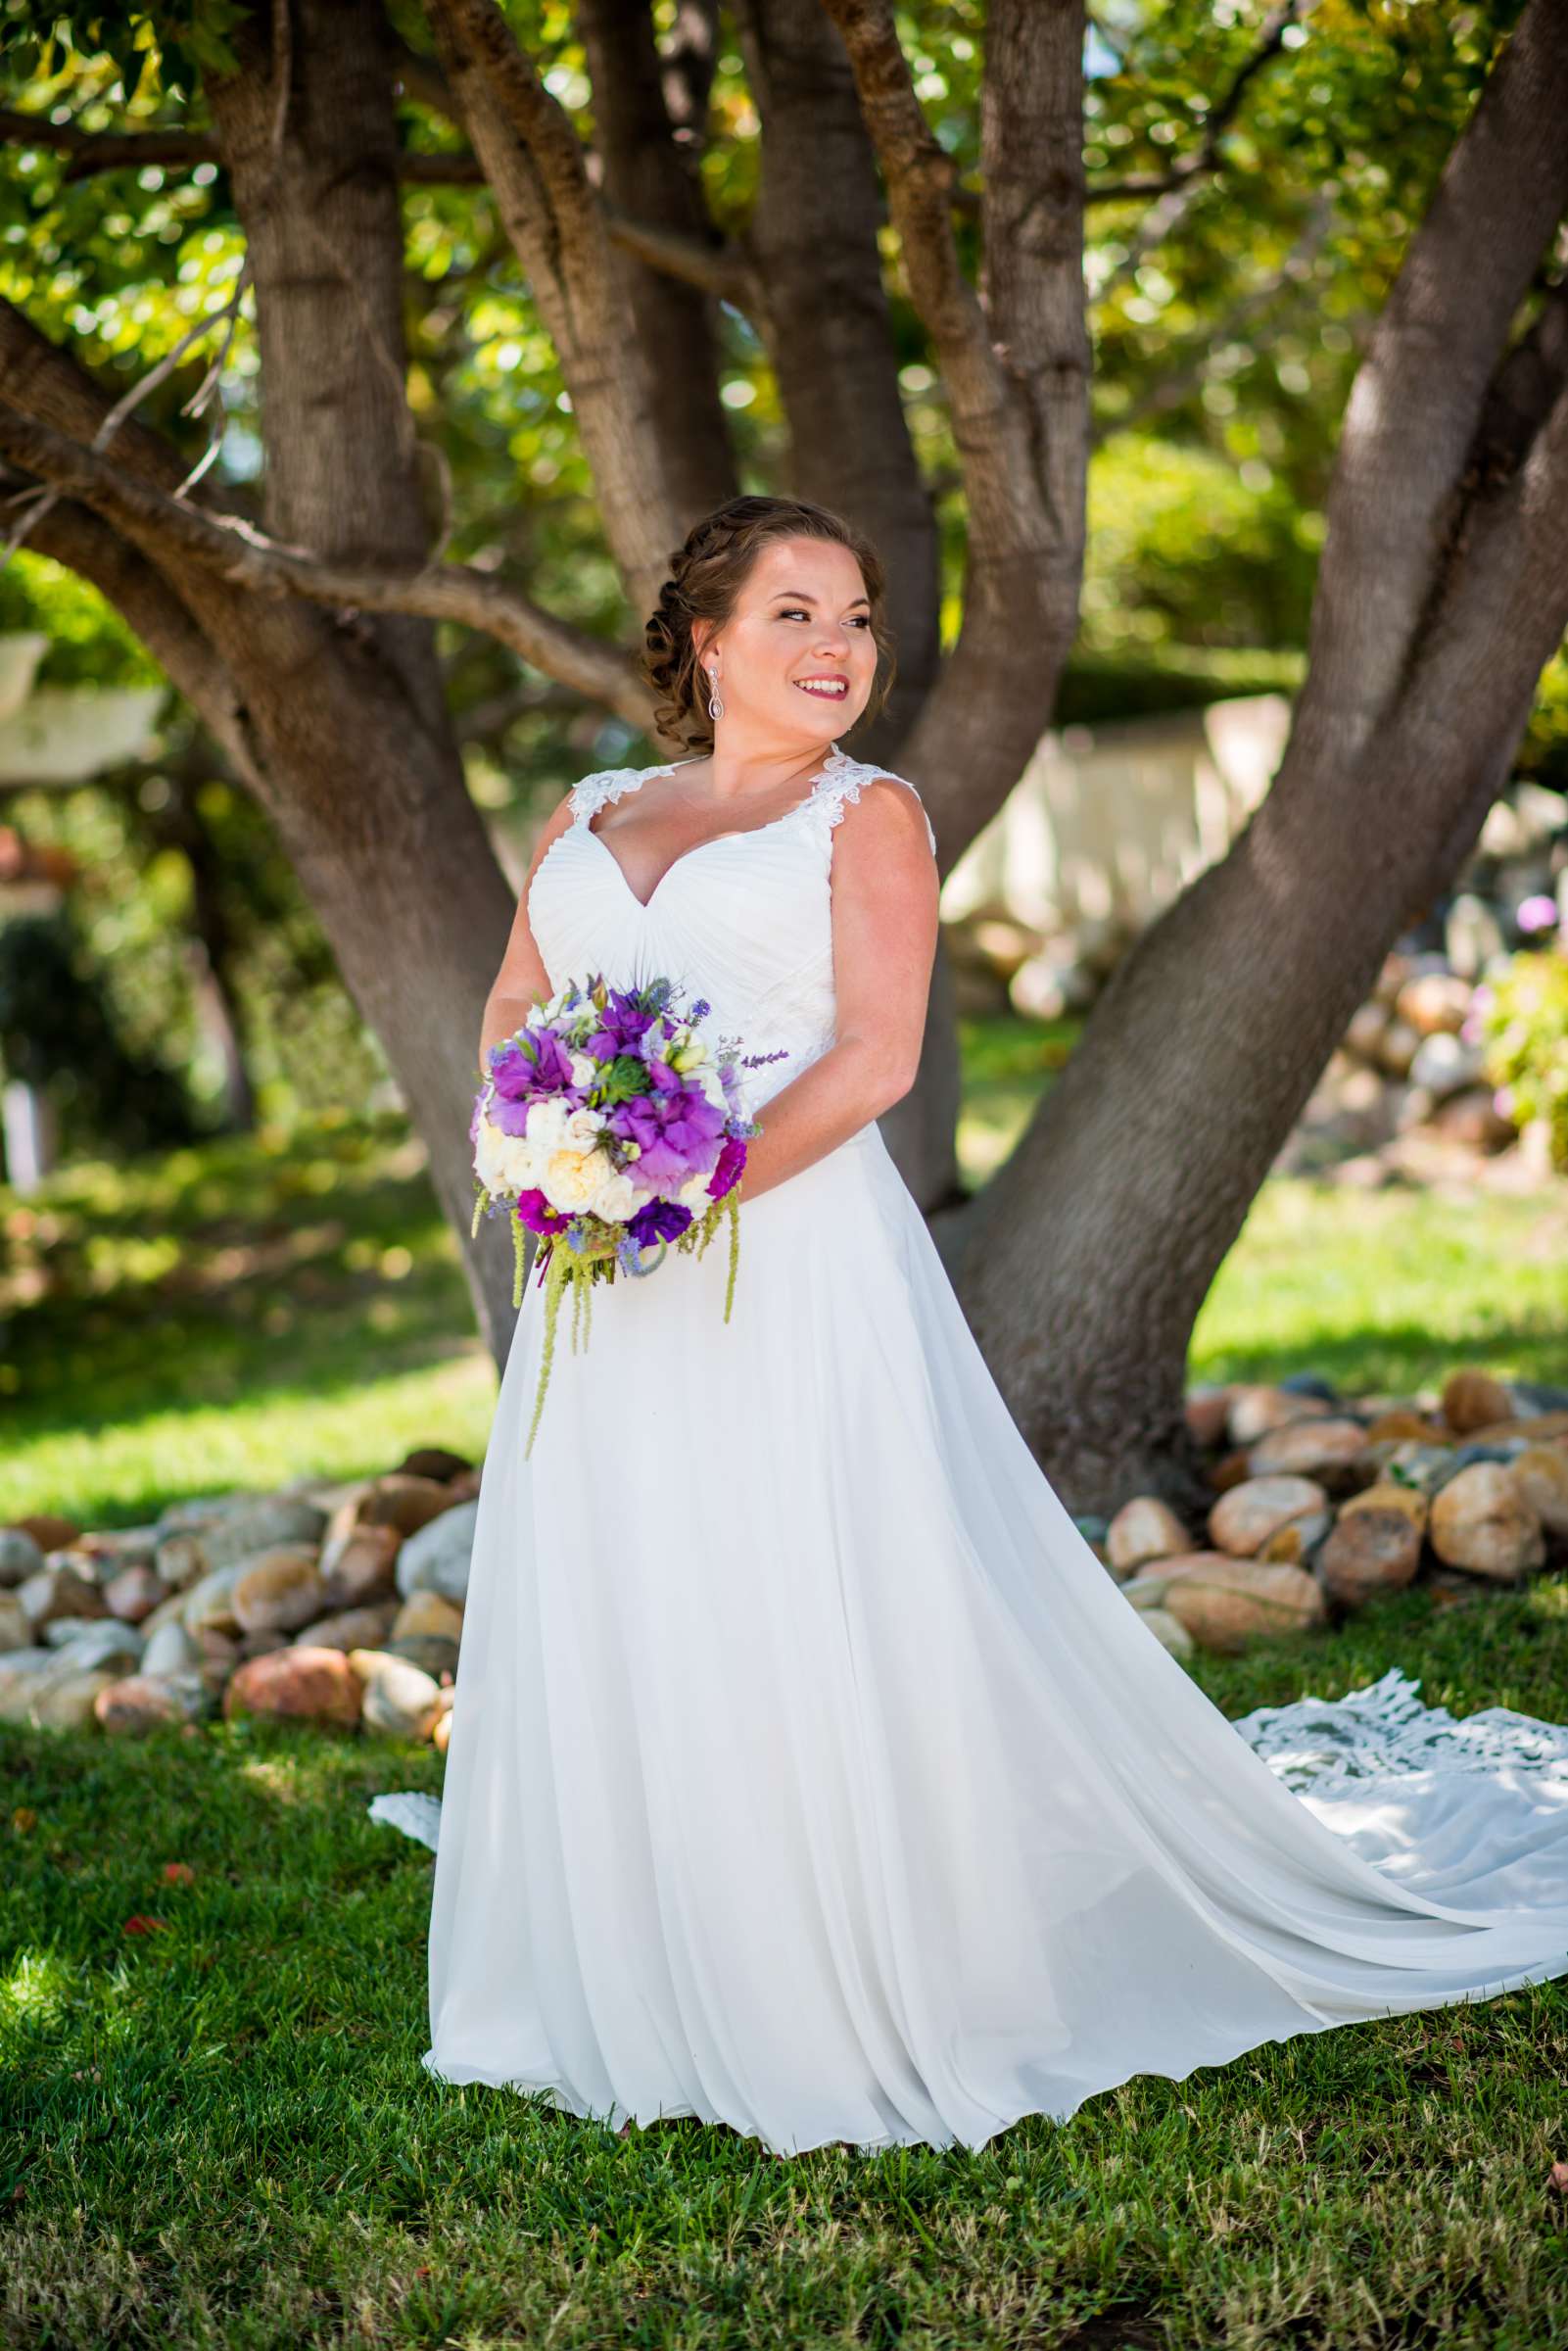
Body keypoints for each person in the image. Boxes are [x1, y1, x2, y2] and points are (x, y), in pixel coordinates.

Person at [371, 494, 1568, 2160]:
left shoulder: (865, 820)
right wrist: (546, 1154)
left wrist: (669, 1193)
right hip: (605, 1291)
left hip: (779, 1264)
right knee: (640, 1581)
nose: (837, 649)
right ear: (704, 639)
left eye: (857, 618)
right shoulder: (591, 809)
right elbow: (516, 1004)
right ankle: (659, 1947)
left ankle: (843, 1975)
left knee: (806, 1584)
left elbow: (868, 1059)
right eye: (795, 615)